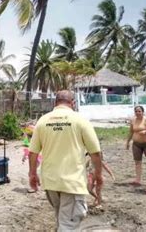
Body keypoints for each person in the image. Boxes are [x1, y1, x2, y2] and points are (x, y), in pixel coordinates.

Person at [28, 90, 103, 231]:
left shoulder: (43, 121)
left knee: (62, 220)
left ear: (55, 102)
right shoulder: (80, 120)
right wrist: (98, 175)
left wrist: (32, 173)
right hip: (72, 182)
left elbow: (32, 152)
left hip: (50, 182)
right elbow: (95, 153)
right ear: (73, 103)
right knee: (68, 225)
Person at [126, 106, 146, 186]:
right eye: (136, 111)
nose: (138, 113)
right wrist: (128, 142)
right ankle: (138, 179)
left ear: (143, 112)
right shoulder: (133, 120)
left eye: (139, 111)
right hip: (136, 144)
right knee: (137, 162)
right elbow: (131, 132)